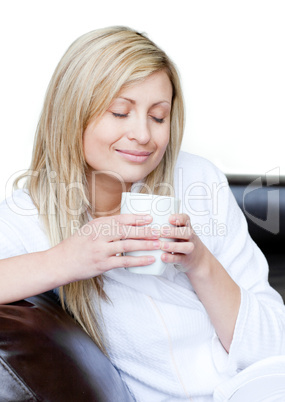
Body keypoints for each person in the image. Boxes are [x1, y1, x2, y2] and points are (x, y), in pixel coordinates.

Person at [0, 26, 284, 401]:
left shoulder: (198, 179)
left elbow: (272, 345)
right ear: (71, 112)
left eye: (158, 116)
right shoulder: (29, 214)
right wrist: (67, 259)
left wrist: (199, 262)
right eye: (120, 112)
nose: (143, 135)